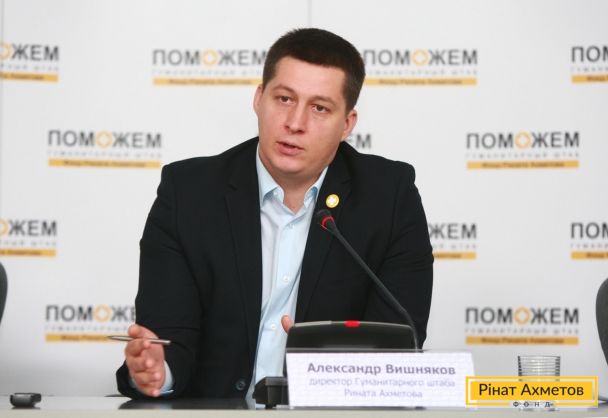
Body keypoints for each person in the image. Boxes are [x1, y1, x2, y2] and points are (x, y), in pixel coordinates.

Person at [116, 28, 433, 400]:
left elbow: (395, 342)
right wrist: (157, 370)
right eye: (284, 98)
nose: (295, 123)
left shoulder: (389, 198)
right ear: (259, 98)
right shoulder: (187, 193)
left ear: (347, 124)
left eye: (319, 108)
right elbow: (169, 338)